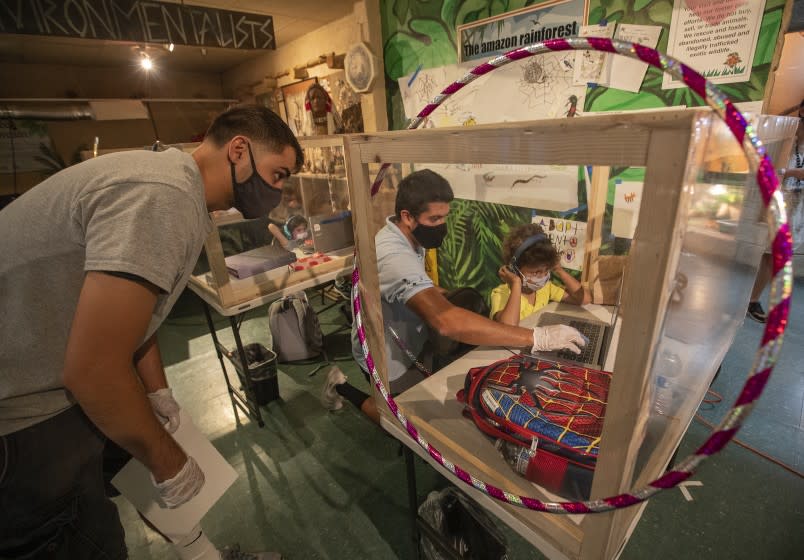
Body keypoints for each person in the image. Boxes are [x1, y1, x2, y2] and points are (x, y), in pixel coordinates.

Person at [0, 105, 303, 560]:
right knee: (85, 537)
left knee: (140, 468)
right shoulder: (164, 197)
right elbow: (94, 371)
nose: (278, 191)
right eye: (278, 174)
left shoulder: (169, 179)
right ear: (239, 151)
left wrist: (157, 392)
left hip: (44, 372)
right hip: (23, 411)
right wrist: (168, 459)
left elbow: (136, 315)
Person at [321, 169, 586, 423]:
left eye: (445, 217)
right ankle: (341, 386)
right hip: (387, 353)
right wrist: (539, 337)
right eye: (434, 220)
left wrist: (450, 296)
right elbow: (445, 321)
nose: (442, 226)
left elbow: (413, 284)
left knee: (419, 406)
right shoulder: (393, 254)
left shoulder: (407, 237)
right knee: (395, 422)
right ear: (407, 216)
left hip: (412, 339)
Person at [747, 102, 803, 323]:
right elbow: (766, 127)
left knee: (775, 255)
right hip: (772, 198)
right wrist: (793, 108)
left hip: (797, 204)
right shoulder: (788, 133)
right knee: (763, 251)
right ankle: (747, 298)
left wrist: (791, 172)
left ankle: (752, 299)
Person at [491, 223, 590, 326]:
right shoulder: (501, 294)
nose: (543, 277)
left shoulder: (545, 288)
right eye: (535, 272)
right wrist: (516, 283)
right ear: (514, 269)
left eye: (546, 270)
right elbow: (508, 326)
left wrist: (559, 270)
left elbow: (584, 299)